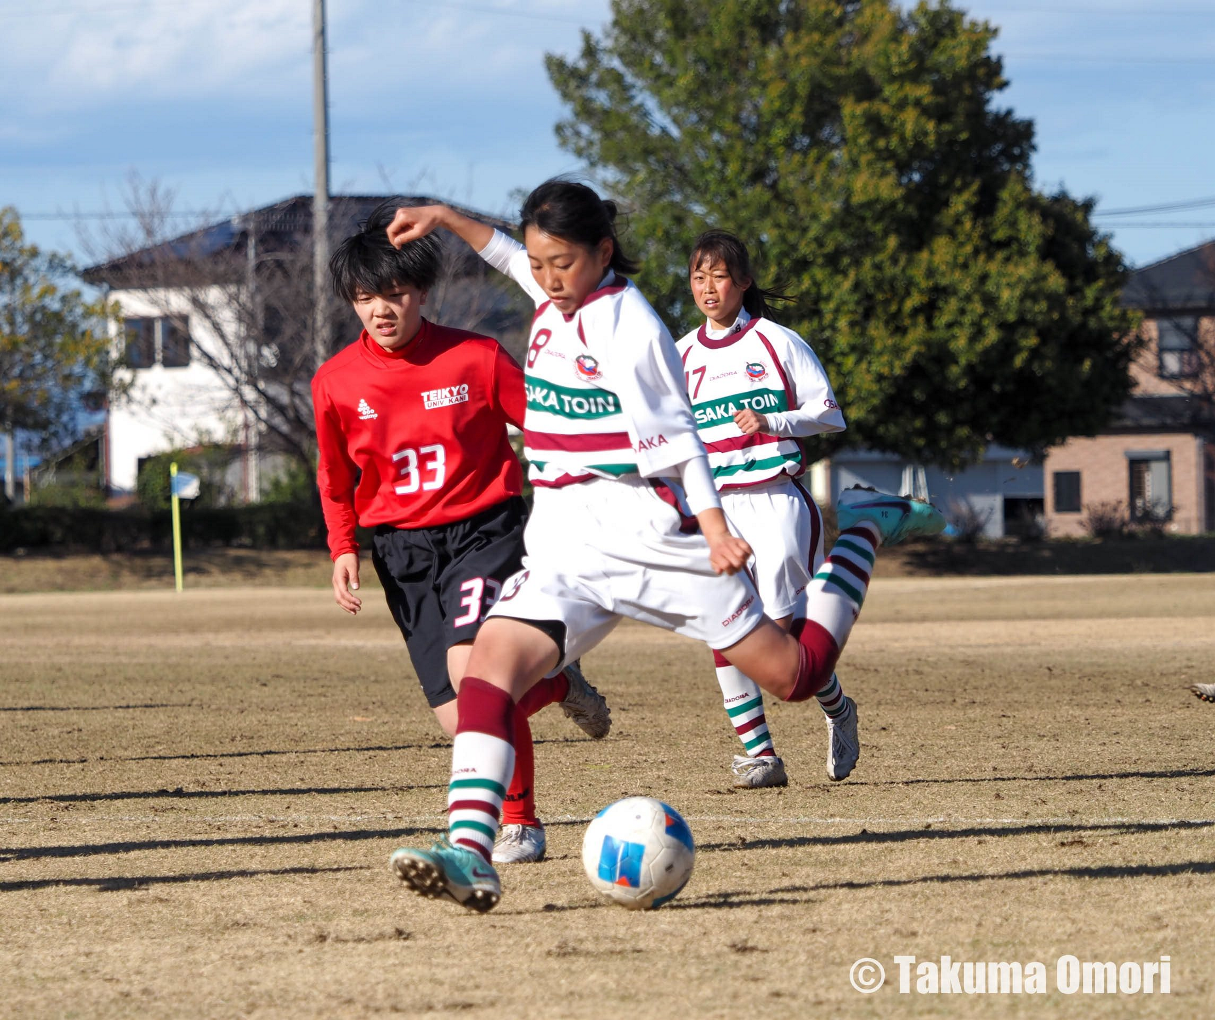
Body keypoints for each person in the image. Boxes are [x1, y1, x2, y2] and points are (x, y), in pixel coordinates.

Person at [383, 179, 945, 912]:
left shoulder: (631, 326)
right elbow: (506, 254)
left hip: (652, 537)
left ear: (603, 252)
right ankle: (471, 852)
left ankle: (867, 524)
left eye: (564, 263)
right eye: (542, 263)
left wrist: (713, 528)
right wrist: (446, 217)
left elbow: (679, 440)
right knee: (488, 676)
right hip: (565, 543)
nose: (548, 278)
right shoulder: (551, 290)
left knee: (797, 674)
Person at [311, 202, 610, 865]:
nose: (381, 309)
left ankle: (520, 825)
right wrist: (343, 549)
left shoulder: (475, 357)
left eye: (394, 293)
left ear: (420, 292)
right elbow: (334, 479)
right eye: (365, 297)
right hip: (403, 553)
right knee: (458, 718)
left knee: (476, 675)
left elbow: (547, 428)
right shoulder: (334, 382)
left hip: (487, 532)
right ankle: (561, 684)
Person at [676, 229, 853, 788]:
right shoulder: (678, 355)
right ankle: (761, 755)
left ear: (742, 282)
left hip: (776, 498)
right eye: (699, 276)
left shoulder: (778, 342)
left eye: (719, 275)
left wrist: (774, 422)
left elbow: (829, 414)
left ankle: (837, 708)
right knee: (725, 626)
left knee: (783, 638)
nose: (708, 287)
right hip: (715, 511)